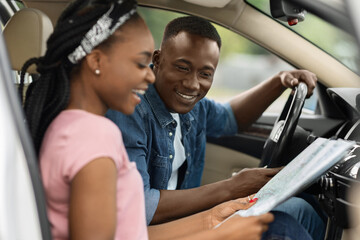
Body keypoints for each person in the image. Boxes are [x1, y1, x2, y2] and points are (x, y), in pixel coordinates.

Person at [19, 0, 313, 239]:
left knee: (292, 215)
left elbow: (130, 231)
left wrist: (213, 219)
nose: (148, 75)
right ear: (97, 62)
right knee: (283, 228)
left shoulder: (79, 128)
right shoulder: (98, 136)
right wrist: (220, 223)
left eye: (205, 73)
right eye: (139, 63)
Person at [106, 15, 325, 239]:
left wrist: (279, 81)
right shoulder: (130, 110)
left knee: (302, 209)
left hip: (191, 221)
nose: (192, 84)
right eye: (182, 68)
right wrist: (231, 188)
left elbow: (231, 118)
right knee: (282, 227)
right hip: (156, 232)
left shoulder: (194, 107)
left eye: (205, 74)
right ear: (158, 59)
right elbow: (140, 206)